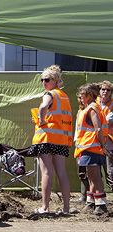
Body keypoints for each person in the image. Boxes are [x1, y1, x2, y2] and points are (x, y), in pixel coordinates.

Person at [29, 65, 73, 214]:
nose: (43, 82)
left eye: (46, 80)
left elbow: (43, 107)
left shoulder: (49, 94)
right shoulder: (64, 96)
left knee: (46, 172)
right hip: (60, 140)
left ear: (55, 80)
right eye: (42, 80)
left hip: (47, 139)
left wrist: (41, 120)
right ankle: (66, 207)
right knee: (62, 173)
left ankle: (45, 208)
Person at [75, 83, 110, 214]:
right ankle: (91, 202)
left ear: (90, 95)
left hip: (92, 147)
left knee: (95, 176)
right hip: (88, 147)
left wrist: (102, 145)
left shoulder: (92, 108)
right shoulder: (89, 107)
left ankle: (101, 205)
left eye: (82, 94)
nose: (80, 96)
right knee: (91, 175)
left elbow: (98, 128)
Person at [97, 81, 113, 191]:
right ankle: (91, 198)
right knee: (94, 171)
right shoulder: (94, 103)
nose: (105, 92)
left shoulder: (112, 105)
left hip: (108, 142)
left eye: (108, 90)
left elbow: (107, 122)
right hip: (94, 141)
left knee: (109, 171)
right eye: (103, 89)